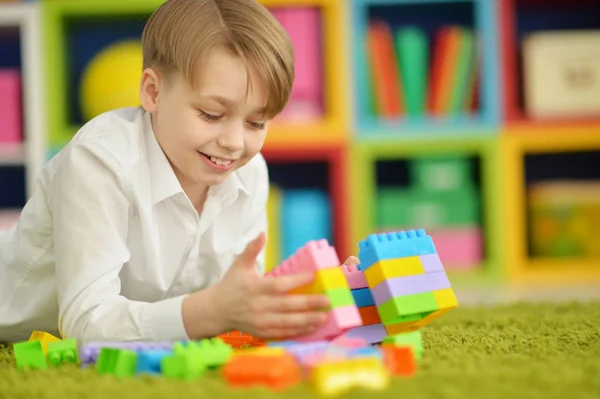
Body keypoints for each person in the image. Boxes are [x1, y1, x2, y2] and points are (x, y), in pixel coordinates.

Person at [0, 0, 358, 344]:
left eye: (256, 122)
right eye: (211, 115)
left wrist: (315, 293)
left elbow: (236, 301)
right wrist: (208, 313)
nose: (235, 142)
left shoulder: (249, 174)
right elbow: (85, 320)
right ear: (153, 92)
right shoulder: (99, 160)